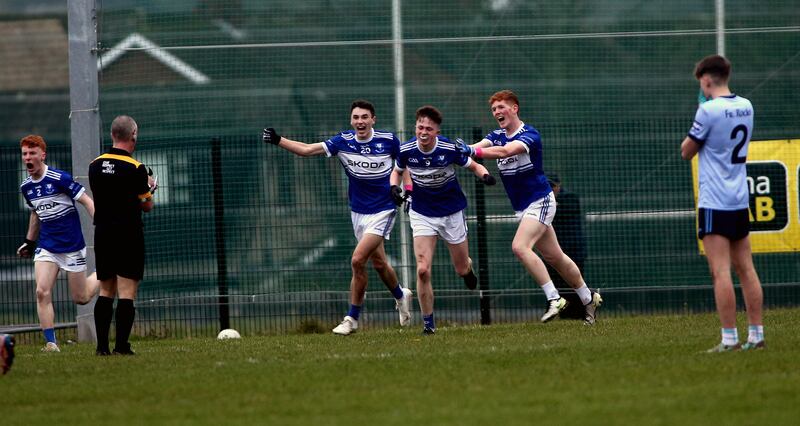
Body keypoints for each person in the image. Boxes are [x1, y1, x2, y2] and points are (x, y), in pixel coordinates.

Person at [263, 100, 413, 335]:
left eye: (365, 117)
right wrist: (278, 140)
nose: (360, 122)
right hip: (358, 212)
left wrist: (406, 191)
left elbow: (405, 165)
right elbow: (307, 150)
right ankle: (401, 295)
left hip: (384, 209)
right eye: (356, 117)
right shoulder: (343, 141)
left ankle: (351, 319)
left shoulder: (388, 140)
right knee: (380, 263)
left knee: (357, 260)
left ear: (373, 119)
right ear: (351, 120)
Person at [457, 90, 602, 325]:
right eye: (494, 110)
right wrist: (459, 149)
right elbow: (479, 146)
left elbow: (503, 151)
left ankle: (554, 298)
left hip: (541, 201)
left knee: (520, 247)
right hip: (524, 208)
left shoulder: (529, 134)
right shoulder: (496, 135)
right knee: (555, 257)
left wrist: (472, 151)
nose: (497, 113)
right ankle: (588, 298)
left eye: (501, 107)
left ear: (515, 108)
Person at [680, 54, 765, 352]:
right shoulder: (746, 105)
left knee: (721, 271)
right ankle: (756, 335)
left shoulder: (709, 111)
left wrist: (700, 113)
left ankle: (729, 338)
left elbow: (687, 151)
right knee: (747, 269)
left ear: (706, 80)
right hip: (740, 198)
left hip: (715, 201)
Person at [390, 106, 496, 334]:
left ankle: (467, 268)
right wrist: (393, 188)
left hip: (451, 213)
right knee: (422, 270)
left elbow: (473, 164)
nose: (424, 131)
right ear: (415, 127)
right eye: (420, 127)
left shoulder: (448, 148)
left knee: (459, 269)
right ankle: (428, 324)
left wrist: (485, 176)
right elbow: (397, 171)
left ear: (437, 131)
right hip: (422, 213)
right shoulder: (407, 150)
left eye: (429, 128)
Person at [18, 134, 99, 352]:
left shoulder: (59, 178)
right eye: (25, 153)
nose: (28, 157)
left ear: (42, 155)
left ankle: (106, 272)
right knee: (41, 292)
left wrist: (101, 226)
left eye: (32, 153)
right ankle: (51, 343)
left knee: (81, 298)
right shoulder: (26, 186)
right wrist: (28, 241)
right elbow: (35, 215)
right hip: (47, 246)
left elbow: (87, 201)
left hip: (72, 246)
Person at [88, 115, 156, 355]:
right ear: (133, 134)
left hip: (103, 233)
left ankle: (102, 347)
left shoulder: (95, 164)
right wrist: (149, 189)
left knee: (106, 290)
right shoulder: (136, 168)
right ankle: (122, 347)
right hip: (128, 234)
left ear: (112, 135)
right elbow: (146, 205)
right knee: (127, 293)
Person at [546, 173, 588, 320]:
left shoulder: (570, 198)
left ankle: (579, 316)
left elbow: (562, 209)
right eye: (547, 186)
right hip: (555, 253)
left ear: (559, 185)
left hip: (574, 252)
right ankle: (559, 314)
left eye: (552, 186)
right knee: (556, 285)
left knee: (575, 284)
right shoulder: (545, 201)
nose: (550, 189)